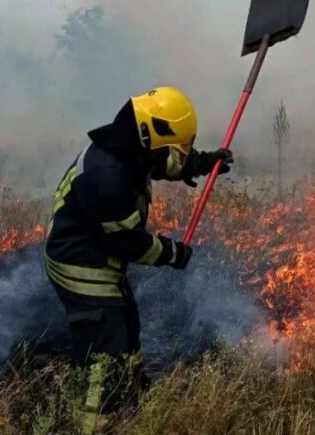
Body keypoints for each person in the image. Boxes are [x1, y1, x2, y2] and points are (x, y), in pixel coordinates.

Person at [44, 86, 233, 434]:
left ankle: (130, 392)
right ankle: (98, 421)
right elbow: (129, 242)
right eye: (175, 147)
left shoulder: (129, 144)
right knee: (106, 344)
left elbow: (164, 161)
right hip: (80, 264)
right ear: (152, 136)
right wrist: (173, 253)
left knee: (128, 321)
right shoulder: (110, 176)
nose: (176, 156)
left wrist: (206, 162)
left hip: (101, 255)